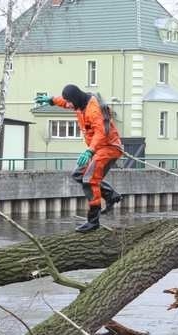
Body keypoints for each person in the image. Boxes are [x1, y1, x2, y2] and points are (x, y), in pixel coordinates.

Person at [35, 84, 124, 232]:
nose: (68, 105)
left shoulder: (93, 110)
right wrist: (51, 100)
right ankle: (111, 195)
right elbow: (64, 102)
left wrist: (90, 151)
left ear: (75, 99)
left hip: (109, 148)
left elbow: (101, 133)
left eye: (69, 102)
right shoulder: (78, 103)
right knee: (78, 174)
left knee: (90, 179)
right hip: (97, 148)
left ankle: (93, 221)